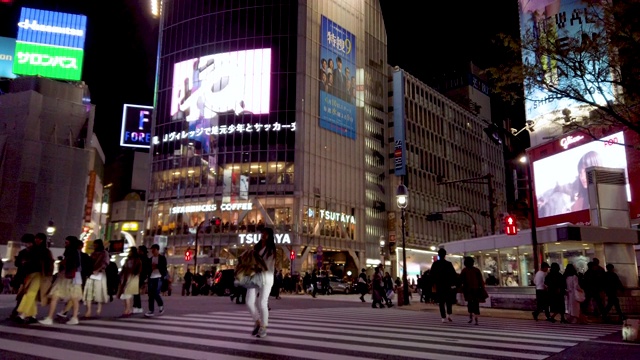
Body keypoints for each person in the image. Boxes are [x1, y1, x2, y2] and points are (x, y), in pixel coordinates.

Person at [39, 236, 83, 326]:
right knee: (74, 297)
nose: (65, 243)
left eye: (67, 242)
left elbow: (69, 263)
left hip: (67, 275)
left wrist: (62, 263)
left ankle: (50, 318)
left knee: (56, 295)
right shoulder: (76, 252)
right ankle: (74, 317)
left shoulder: (70, 251)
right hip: (75, 276)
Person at [246, 227, 276, 338]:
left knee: (262, 302)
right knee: (249, 301)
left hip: (266, 277)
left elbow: (267, 265)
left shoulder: (271, 249)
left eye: (266, 234)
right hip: (255, 277)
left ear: (270, 236)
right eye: (262, 233)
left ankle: (263, 327)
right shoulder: (256, 247)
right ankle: (257, 322)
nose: (263, 235)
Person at [82, 239, 109, 318]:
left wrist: (98, 269)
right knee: (89, 292)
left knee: (98, 292)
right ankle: (88, 311)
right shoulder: (93, 253)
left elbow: (105, 263)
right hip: (91, 273)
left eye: (95, 244)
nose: (94, 246)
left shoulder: (104, 253)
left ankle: (98, 308)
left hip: (99, 273)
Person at [430, 248, 458, 323]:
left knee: (441, 302)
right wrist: (454, 284)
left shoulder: (435, 264)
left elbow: (432, 275)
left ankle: (443, 317)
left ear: (438, 255)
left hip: (439, 285)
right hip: (447, 285)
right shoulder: (448, 264)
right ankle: (449, 314)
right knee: (448, 301)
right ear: (445, 255)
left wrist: (433, 284)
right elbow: (453, 275)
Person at [460, 257, 485, 325]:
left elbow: (461, 280)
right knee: (476, 303)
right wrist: (482, 288)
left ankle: (471, 315)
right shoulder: (476, 270)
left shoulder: (464, 270)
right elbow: (480, 280)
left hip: (468, 290)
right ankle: (476, 317)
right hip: (476, 289)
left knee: (470, 303)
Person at [145, 244, 167, 317]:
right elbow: (147, 268)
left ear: (157, 250)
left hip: (159, 277)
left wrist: (156, 266)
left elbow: (164, 267)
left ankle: (160, 305)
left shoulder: (162, 258)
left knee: (155, 293)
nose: (152, 251)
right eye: (152, 250)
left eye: (154, 250)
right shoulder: (150, 259)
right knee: (150, 294)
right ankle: (151, 310)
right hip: (151, 277)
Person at [119, 246, 142, 317]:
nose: (129, 252)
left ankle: (127, 310)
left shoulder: (137, 260)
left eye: (130, 251)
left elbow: (138, 270)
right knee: (126, 294)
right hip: (126, 277)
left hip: (132, 278)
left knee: (127, 293)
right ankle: (128, 309)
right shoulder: (128, 260)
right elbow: (123, 269)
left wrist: (134, 274)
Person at [133, 245, 150, 314]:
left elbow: (146, 269)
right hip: (139, 276)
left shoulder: (143, 259)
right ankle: (136, 306)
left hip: (140, 276)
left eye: (139, 250)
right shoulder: (142, 258)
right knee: (135, 291)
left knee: (136, 291)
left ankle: (138, 306)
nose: (138, 251)